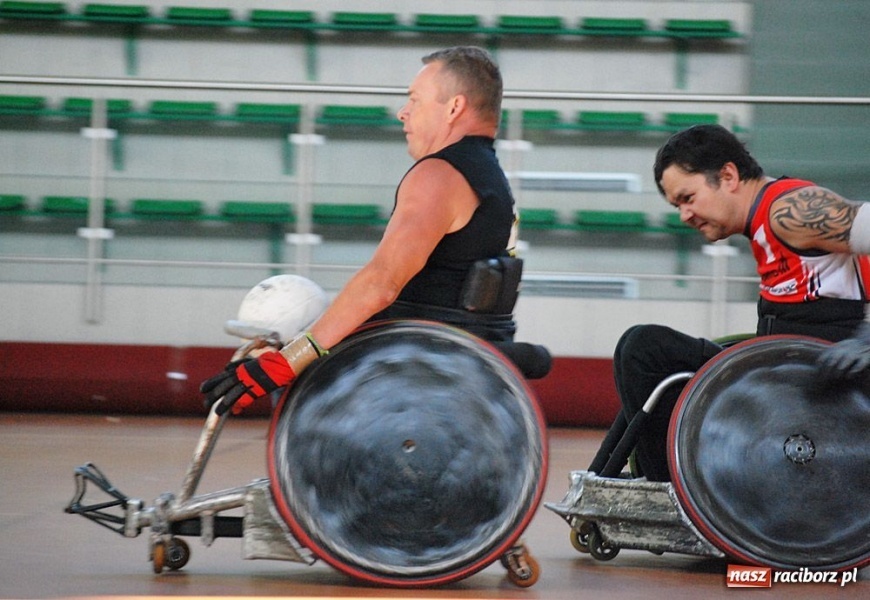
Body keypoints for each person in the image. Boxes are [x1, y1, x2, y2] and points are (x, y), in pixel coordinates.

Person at [201, 46, 537, 415]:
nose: (403, 112)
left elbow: (381, 284)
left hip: (417, 364)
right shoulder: (490, 177)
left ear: (454, 107)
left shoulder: (439, 175)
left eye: (415, 100)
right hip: (460, 355)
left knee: (283, 353)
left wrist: (290, 360)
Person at [603, 124, 870, 482]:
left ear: (728, 176)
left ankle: (671, 488)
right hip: (777, 375)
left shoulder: (791, 210)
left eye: (688, 197)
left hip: (814, 388)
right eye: (677, 205)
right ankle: (625, 477)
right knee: (645, 354)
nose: (684, 215)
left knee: (644, 348)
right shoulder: (764, 222)